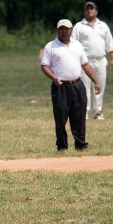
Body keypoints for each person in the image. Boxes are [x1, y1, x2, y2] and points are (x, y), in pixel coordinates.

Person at [41, 19, 101, 152]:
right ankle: (62, 146)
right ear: (57, 30)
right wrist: (53, 77)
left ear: (71, 30)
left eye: (66, 28)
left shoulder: (78, 45)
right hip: (60, 86)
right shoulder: (50, 46)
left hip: (77, 85)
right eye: (61, 28)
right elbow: (44, 65)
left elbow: (85, 64)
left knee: (79, 115)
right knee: (61, 116)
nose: (64, 31)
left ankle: (81, 144)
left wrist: (96, 81)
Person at [72, 1, 113, 120]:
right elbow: (73, 44)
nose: (89, 11)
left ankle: (98, 111)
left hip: (101, 60)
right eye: (87, 9)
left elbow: (109, 43)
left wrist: (112, 59)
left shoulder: (103, 25)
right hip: (85, 62)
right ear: (84, 11)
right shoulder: (79, 26)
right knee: (85, 87)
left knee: (100, 86)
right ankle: (84, 112)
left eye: (92, 9)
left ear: (96, 11)